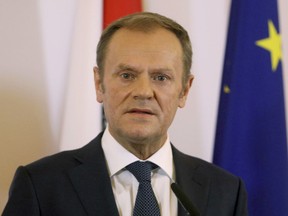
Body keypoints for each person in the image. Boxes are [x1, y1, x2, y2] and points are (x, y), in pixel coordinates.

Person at [3, 12, 248, 216]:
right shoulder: (40, 185)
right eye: (127, 75)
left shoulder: (225, 191)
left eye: (161, 78)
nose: (143, 92)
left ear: (184, 90)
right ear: (99, 84)